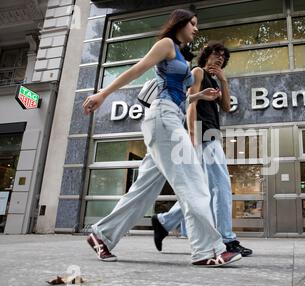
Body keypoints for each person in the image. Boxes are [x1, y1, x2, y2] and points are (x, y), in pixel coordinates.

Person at [82, 9, 242, 267]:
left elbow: (178, 95)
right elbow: (137, 69)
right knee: (194, 182)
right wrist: (102, 94)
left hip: (168, 120)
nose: (196, 29)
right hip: (163, 121)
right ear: (179, 23)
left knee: (143, 191)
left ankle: (102, 235)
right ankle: (208, 251)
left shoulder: (180, 55)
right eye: (193, 24)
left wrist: (199, 97)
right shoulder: (166, 45)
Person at [152, 42, 252, 257]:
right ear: (206, 56)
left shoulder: (216, 81)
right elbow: (190, 103)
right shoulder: (197, 72)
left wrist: (224, 80)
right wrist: (192, 137)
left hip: (211, 134)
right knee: (222, 186)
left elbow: (226, 107)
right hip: (203, 135)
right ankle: (227, 239)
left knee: (203, 189)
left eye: (223, 57)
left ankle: (164, 221)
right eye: (216, 54)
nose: (219, 59)